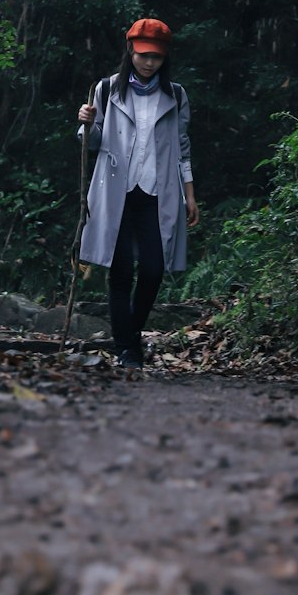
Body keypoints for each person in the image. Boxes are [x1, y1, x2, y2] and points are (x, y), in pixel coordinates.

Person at [77, 18, 199, 367]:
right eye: (143, 55)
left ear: (164, 58)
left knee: (152, 270)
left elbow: (183, 147)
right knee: (119, 273)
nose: (149, 62)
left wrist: (190, 194)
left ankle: (129, 338)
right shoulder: (106, 89)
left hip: (157, 194)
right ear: (130, 50)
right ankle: (127, 348)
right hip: (116, 192)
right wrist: (85, 122)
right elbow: (92, 143)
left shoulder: (175, 95)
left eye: (156, 57)